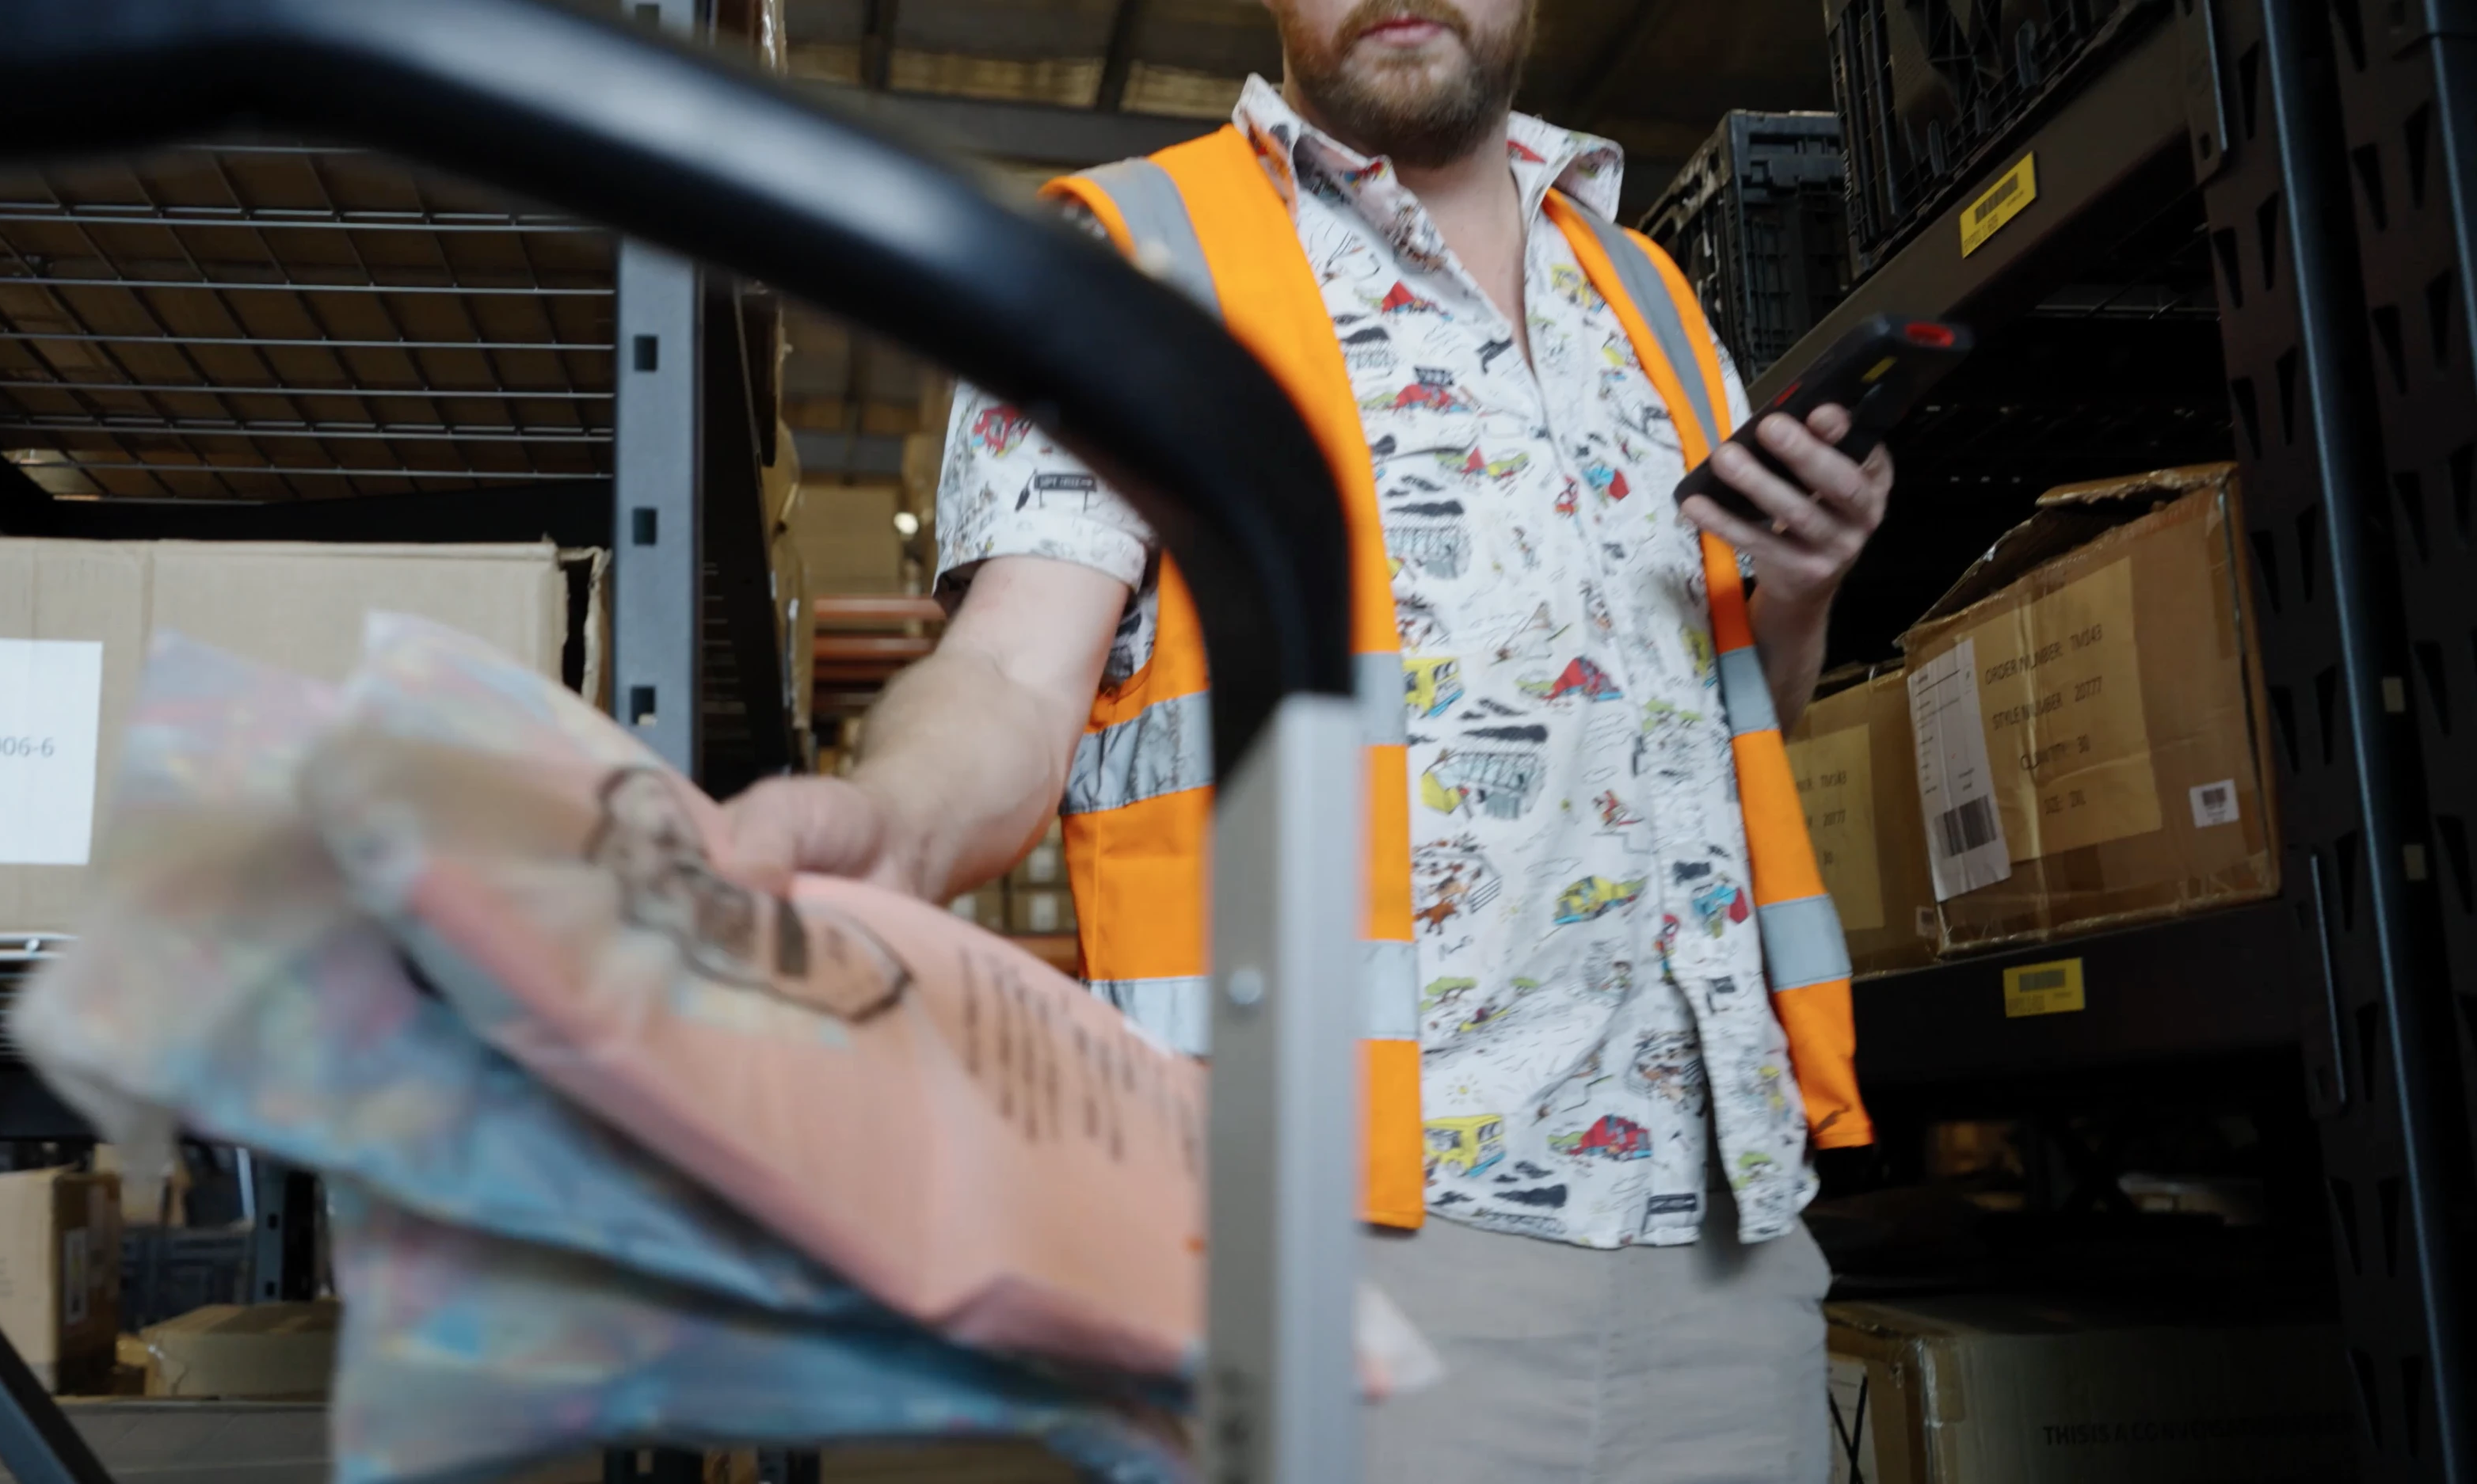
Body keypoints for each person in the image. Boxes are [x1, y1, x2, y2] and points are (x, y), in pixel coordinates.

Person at [726, 0, 1895, 1472]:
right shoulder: (1133, 262)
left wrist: (1800, 593)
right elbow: (1018, 671)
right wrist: (892, 820)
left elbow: (1743, 727)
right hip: (1345, 1251)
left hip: (1730, 1245)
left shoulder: (1650, 296)